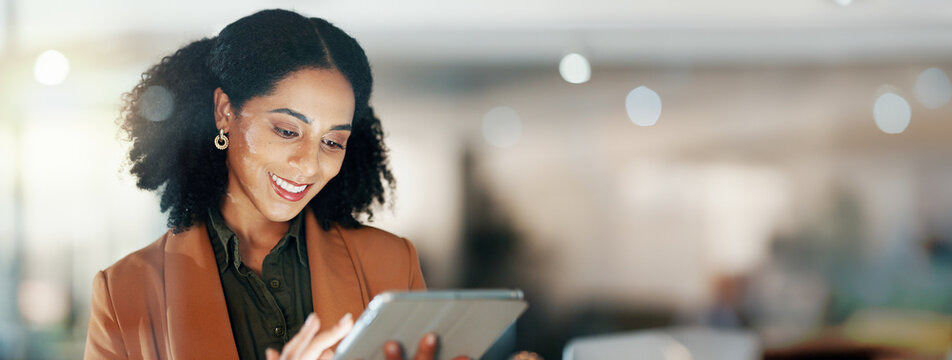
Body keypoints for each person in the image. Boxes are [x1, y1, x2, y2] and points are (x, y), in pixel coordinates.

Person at [84, 9, 461, 360]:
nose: (309, 164)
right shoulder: (124, 292)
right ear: (224, 112)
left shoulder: (392, 263)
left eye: (332, 142)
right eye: (287, 130)